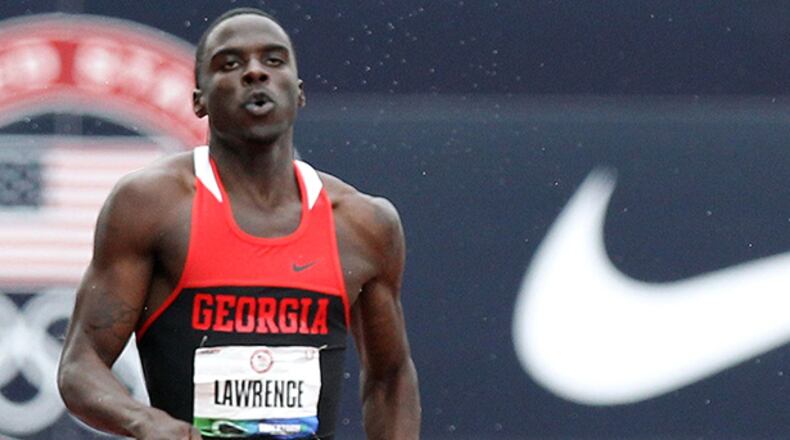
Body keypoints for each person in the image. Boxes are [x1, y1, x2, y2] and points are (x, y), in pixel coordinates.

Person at [57, 7, 421, 440]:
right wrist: (151, 424)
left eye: (274, 60)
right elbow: (80, 366)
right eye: (230, 64)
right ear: (198, 100)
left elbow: (391, 378)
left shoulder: (363, 224)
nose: (254, 74)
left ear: (298, 91)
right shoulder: (151, 206)